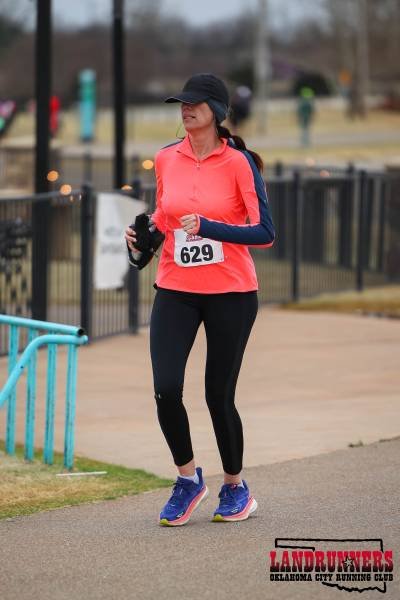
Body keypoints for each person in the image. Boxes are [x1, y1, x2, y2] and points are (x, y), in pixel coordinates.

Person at [125, 73, 275, 526]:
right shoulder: (166, 158)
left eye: (195, 103)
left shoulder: (239, 163)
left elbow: (264, 232)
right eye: (182, 103)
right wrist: (143, 239)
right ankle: (188, 479)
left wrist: (209, 227)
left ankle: (235, 487)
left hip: (231, 293)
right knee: (166, 387)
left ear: (217, 111)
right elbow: (164, 215)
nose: (186, 109)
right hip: (176, 289)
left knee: (217, 395)